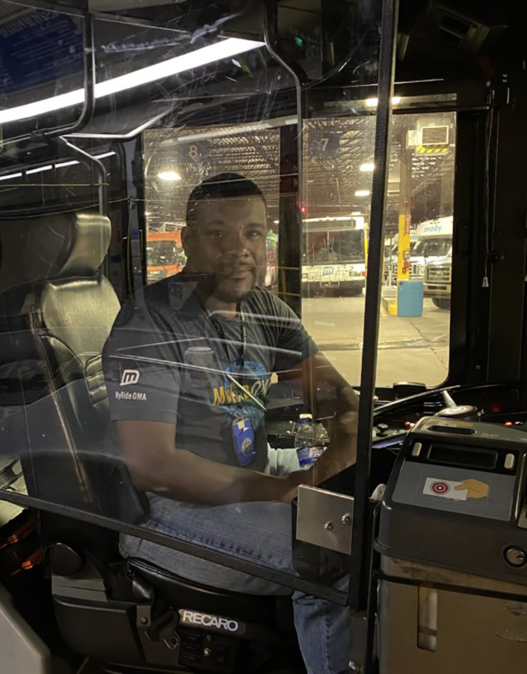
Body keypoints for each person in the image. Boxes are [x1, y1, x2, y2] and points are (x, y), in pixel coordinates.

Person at [102, 172, 359, 673]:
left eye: (253, 232)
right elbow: (153, 465)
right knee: (335, 563)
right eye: (218, 233)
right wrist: (286, 487)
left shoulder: (266, 309)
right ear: (187, 240)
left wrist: (324, 465)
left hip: (258, 485)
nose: (239, 248)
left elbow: (337, 398)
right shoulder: (150, 321)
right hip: (167, 511)